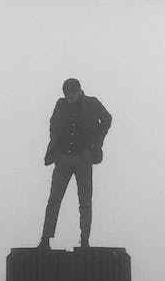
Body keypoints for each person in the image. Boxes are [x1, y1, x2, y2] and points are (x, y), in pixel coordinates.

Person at [38, 78, 112, 250]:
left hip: (83, 158)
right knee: (54, 200)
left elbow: (107, 119)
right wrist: (55, 142)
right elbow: (53, 124)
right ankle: (45, 240)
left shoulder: (92, 104)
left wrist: (97, 142)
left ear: (79, 91)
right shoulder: (61, 105)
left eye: (71, 93)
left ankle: (84, 240)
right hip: (63, 158)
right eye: (66, 94)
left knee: (84, 201)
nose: (69, 97)